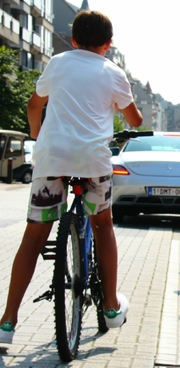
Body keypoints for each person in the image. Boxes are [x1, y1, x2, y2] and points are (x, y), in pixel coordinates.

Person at [0, 10, 143, 344]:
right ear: (109, 43)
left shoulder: (58, 63)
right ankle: (110, 305)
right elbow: (134, 120)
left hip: (52, 159)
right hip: (93, 162)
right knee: (103, 226)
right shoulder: (114, 72)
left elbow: (34, 106)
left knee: (33, 238)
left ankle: (7, 322)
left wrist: (39, 137)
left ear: (74, 39)